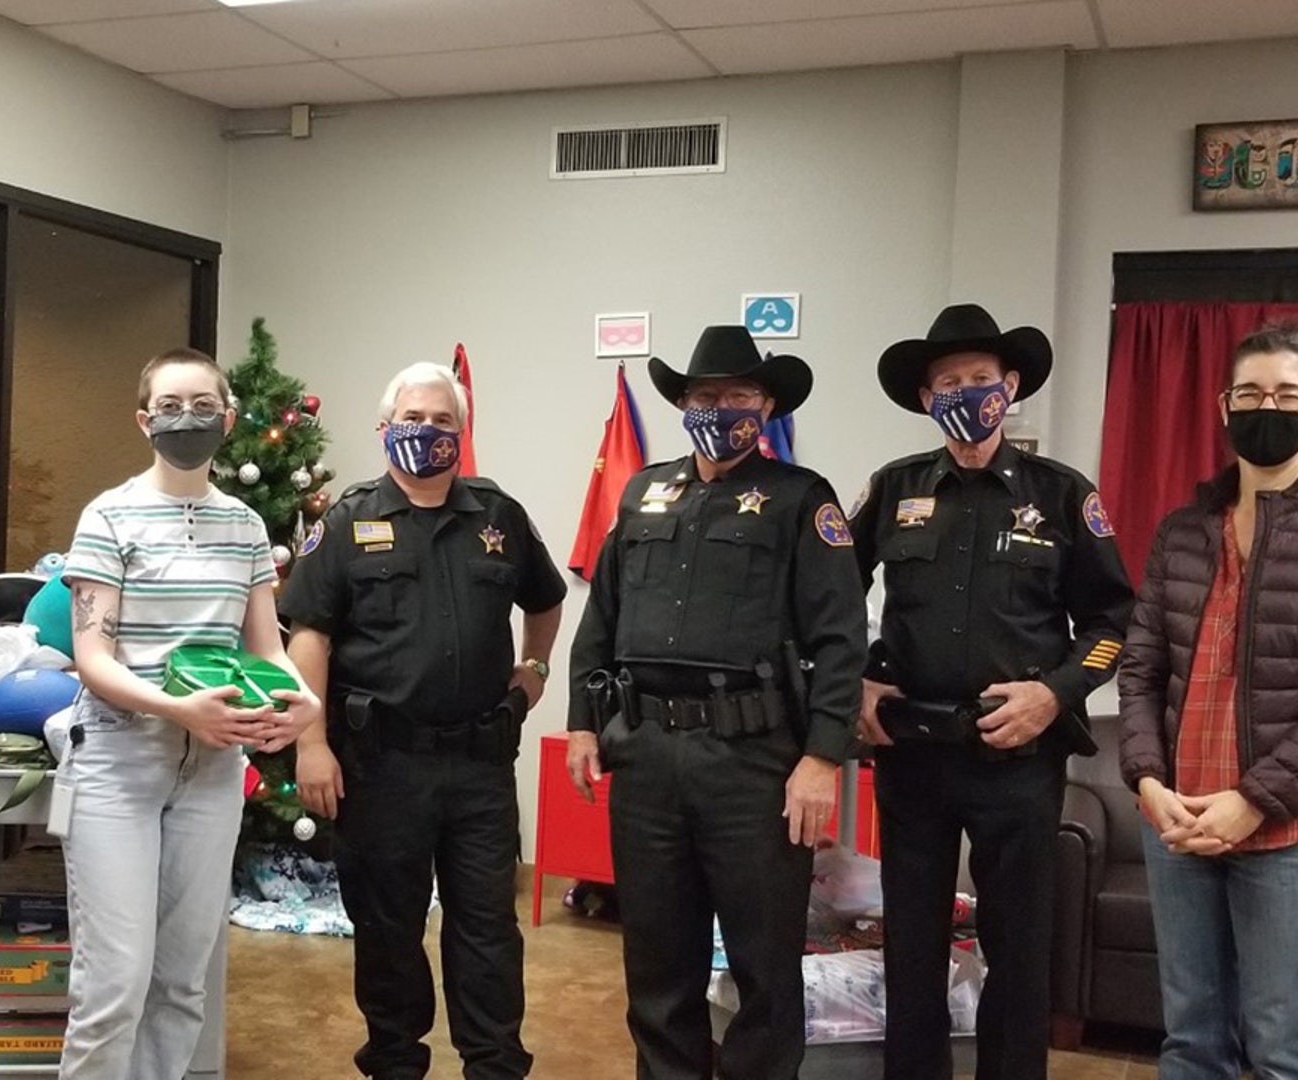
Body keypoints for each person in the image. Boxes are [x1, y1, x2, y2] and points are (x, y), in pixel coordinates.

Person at [566, 325, 866, 1080]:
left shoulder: (803, 500)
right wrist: (580, 725)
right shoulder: (644, 492)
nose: (721, 408)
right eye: (706, 395)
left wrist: (822, 757)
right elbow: (598, 620)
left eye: (738, 395)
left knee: (766, 970)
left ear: (765, 405)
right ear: (683, 403)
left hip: (755, 766)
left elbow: (840, 638)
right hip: (648, 760)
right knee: (658, 968)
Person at [850, 303, 1135, 1080]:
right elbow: (829, 600)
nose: (967, 393)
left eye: (981, 379)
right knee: (911, 946)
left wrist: (1055, 694)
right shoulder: (892, 488)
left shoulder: (1063, 493)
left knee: (1017, 951)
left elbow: (1114, 621)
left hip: (1018, 758)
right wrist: (856, 684)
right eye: (949, 382)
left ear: (1009, 387)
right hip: (912, 754)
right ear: (924, 398)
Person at [1117, 320, 1298, 1080]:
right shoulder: (1183, 531)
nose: (1266, 407)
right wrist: (1148, 781)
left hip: (1293, 835)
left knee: (1283, 1049)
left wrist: (1251, 801)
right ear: (1223, 406)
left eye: (1286, 394)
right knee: (1189, 1039)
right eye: (1250, 392)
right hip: (1178, 823)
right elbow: (1141, 666)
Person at [281, 361, 567, 1080]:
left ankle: (495, 1064)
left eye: (443, 421)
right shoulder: (347, 521)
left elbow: (546, 597)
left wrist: (533, 672)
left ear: (461, 434)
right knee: (387, 930)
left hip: (479, 764)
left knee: (488, 932)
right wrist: (311, 742)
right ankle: (395, 1062)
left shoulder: (498, 517)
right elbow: (307, 635)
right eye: (413, 418)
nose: (428, 431)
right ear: (385, 430)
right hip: (381, 765)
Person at [58, 346, 322, 1079]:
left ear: (229, 418)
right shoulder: (107, 517)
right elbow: (94, 659)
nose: (187, 419)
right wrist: (179, 709)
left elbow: (266, 649)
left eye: (204, 406)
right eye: (170, 406)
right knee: (112, 985)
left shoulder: (243, 527)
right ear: (144, 420)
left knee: (181, 982)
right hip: (118, 761)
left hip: (211, 771)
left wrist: (304, 701)